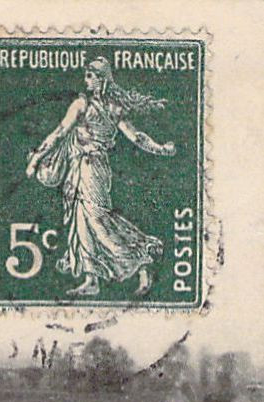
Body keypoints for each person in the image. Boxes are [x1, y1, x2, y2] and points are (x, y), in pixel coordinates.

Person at [25, 56, 177, 298]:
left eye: (90, 76)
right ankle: (91, 279)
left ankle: (141, 258)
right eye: (86, 75)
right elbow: (60, 133)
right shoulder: (82, 105)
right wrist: (36, 158)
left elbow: (136, 136)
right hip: (79, 168)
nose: (86, 81)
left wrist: (159, 148)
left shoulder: (103, 108)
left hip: (94, 169)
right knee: (81, 221)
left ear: (101, 79)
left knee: (97, 219)